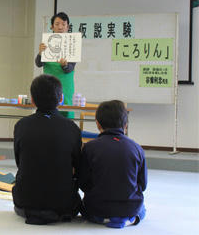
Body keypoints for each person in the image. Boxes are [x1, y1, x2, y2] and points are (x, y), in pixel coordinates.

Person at [13, 74, 82, 225]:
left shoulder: (21, 126)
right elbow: (77, 166)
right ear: (61, 99)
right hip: (64, 205)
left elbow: (19, 162)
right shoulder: (72, 128)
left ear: (32, 100)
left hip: (26, 204)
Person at [79, 100, 147, 228]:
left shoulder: (89, 148)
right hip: (129, 207)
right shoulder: (137, 148)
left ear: (98, 124)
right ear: (125, 125)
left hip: (97, 208)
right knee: (141, 208)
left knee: (83, 206)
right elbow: (142, 185)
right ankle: (127, 218)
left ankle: (103, 218)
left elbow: (83, 183)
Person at [36, 12, 75, 118]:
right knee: (47, 114)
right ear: (52, 27)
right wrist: (40, 53)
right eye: (57, 24)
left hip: (65, 86)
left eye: (63, 24)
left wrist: (65, 65)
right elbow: (38, 64)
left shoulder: (72, 45)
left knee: (65, 115)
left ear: (68, 27)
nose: (60, 27)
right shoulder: (46, 43)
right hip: (48, 85)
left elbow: (70, 69)